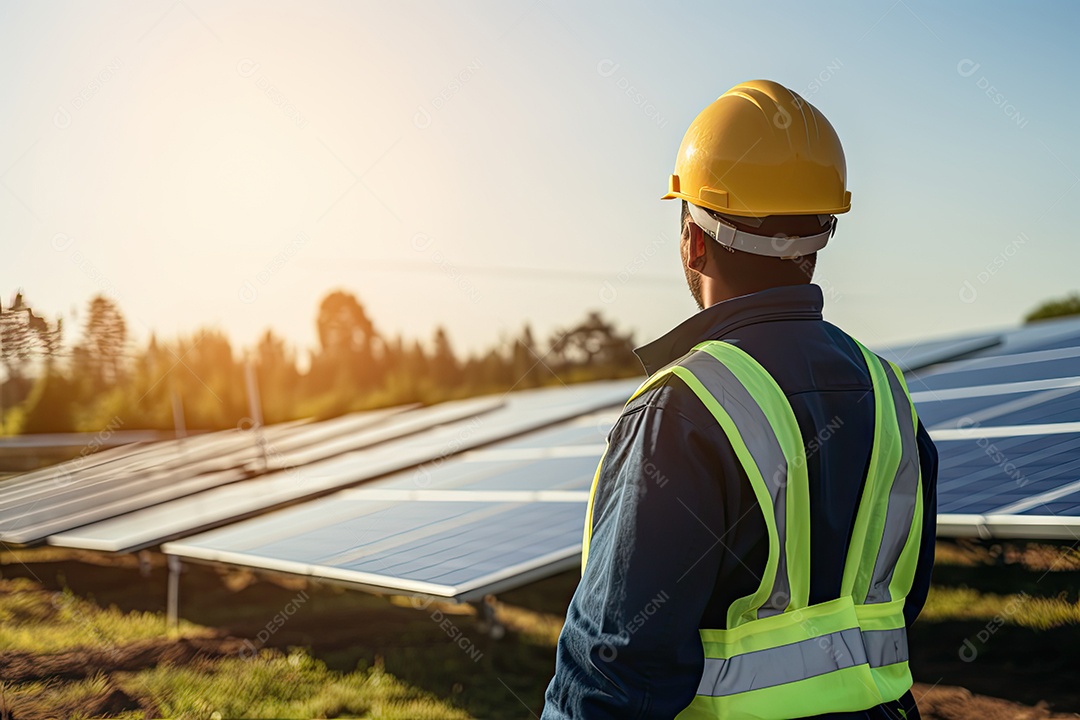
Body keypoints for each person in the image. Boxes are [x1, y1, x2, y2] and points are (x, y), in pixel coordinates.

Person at [542, 79, 938, 719]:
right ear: (822, 233)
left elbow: (614, 668)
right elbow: (897, 601)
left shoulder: (680, 411)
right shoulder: (890, 394)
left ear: (692, 240)